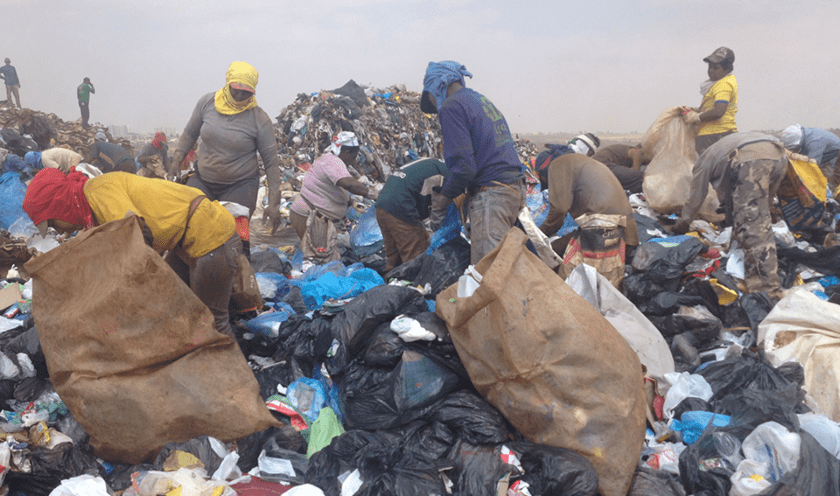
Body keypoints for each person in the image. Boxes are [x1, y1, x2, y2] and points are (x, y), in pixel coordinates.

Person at [22, 168, 242, 337]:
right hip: (184, 239)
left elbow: (138, 233)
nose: (58, 229)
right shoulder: (91, 204)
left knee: (211, 321)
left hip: (209, 233)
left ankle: (235, 388)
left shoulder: (98, 192)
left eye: (53, 222)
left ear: (60, 205)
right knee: (176, 307)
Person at [170, 61, 284, 257]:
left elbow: (271, 163)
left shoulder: (259, 119)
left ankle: (241, 276)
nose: (240, 96)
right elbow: (189, 134)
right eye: (236, 90)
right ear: (228, 83)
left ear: (253, 92)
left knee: (234, 237)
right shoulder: (206, 103)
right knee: (187, 224)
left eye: (246, 93)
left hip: (240, 185)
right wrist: (175, 161)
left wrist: (274, 204)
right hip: (203, 179)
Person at [420, 60, 525, 264]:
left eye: (432, 98)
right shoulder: (479, 100)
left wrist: (444, 198)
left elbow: (465, 168)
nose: (435, 105)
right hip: (513, 189)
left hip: (493, 194)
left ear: (438, 85)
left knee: (488, 272)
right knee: (505, 266)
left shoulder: (451, 106)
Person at [672, 132, 787, 299]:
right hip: (779, 157)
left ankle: (767, 291)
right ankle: (743, 253)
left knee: (753, 226)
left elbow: (696, 196)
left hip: (752, 161)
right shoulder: (722, 148)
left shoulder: (703, 161)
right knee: (758, 217)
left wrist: (683, 222)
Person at [536, 153, 639, 250]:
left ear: (543, 174)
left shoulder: (556, 166)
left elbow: (559, 210)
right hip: (629, 234)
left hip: (605, 232)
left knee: (551, 252)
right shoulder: (580, 162)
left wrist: (539, 235)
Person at [288, 131, 376, 241]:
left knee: (324, 253)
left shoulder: (330, 159)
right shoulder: (334, 162)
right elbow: (348, 184)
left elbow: (335, 187)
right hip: (309, 216)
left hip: (311, 215)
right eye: (353, 156)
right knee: (318, 255)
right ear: (347, 153)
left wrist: (350, 204)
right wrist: (373, 194)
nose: (353, 160)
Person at [375, 158, 451, 271]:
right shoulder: (451, 175)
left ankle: (390, 284)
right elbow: (440, 212)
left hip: (382, 204)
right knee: (416, 257)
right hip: (400, 205)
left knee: (394, 257)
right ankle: (414, 286)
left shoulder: (435, 163)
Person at [687, 47, 737, 155]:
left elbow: (719, 111)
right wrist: (696, 110)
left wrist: (695, 117)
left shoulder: (723, 85)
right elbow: (714, 106)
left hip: (714, 135)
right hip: (722, 133)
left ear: (727, 68)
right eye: (709, 67)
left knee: (701, 170)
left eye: (716, 68)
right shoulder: (720, 83)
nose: (711, 71)